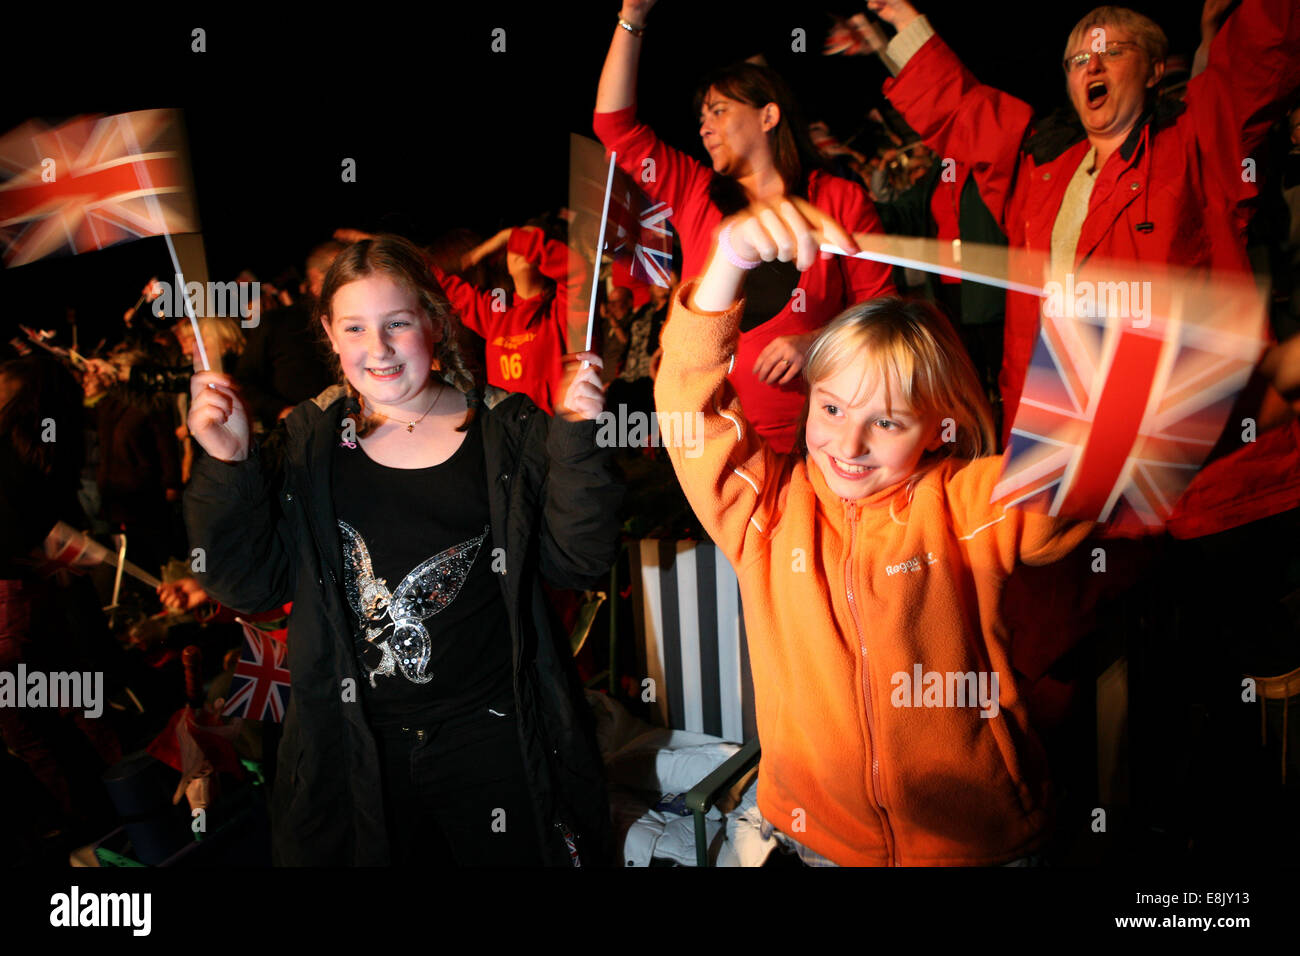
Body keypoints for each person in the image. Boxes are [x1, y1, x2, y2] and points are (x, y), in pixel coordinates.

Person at [653, 198, 1299, 866]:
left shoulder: (967, 503)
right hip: (820, 843)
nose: (850, 441)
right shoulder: (768, 509)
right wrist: (727, 263)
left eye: (890, 421)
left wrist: (1271, 380)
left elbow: (1094, 461)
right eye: (833, 406)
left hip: (978, 845)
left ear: (939, 428)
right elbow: (685, 410)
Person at [183, 234, 621, 866]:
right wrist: (230, 466)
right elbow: (248, 585)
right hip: (357, 750)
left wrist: (578, 444)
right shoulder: (306, 444)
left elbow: (578, 561)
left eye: (397, 324)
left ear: (435, 324)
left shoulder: (507, 429)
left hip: (496, 741)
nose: (378, 349)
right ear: (330, 335)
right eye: (355, 328)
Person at [866, 0, 1300, 540]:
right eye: (1077, 61)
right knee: (1086, 605)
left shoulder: (1199, 142)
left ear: (1155, 69)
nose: (1091, 67)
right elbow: (967, 112)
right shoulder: (1040, 169)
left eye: (1112, 52)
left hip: (1184, 452)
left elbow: (1261, 53)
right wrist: (908, 25)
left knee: (1202, 609)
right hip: (1064, 447)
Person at [594, 0, 896, 453]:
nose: (704, 128)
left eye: (718, 111)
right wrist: (631, 18)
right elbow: (615, 127)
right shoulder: (694, 190)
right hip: (714, 439)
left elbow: (884, 312)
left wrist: (818, 344)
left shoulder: (838, 199)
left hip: (814, 440)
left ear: (768, 116)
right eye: (701, 118)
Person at [234, 241, 341, 432]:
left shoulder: (365, 322)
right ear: (316, 280)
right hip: (298, 442)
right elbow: (245, 381)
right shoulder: (276, 323)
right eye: (343, 273)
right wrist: (282, 412)